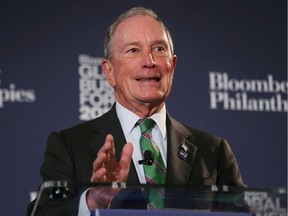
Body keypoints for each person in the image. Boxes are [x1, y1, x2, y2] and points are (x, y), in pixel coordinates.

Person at [28, 6, 244, 216]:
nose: (149, 62)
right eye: (133, 50)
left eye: (159, 49)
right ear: (109, 71)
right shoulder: (69, 146)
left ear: (173, 65)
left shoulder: (213, 150)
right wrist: (94, 201)